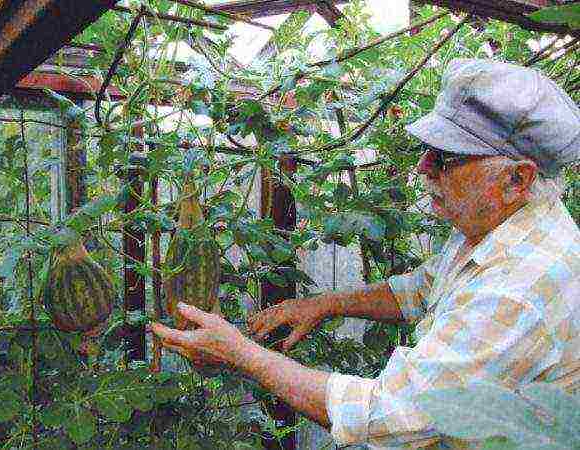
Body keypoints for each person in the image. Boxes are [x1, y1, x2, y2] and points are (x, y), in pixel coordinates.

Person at [151, 58, 580, 449]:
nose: (423, 167)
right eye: (427, 151)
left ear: (516, 180)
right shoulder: (501, 223)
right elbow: (423, 287)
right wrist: (325, 304)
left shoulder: (522, 285)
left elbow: (394, 417)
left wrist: (241, 354)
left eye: (445, 158)